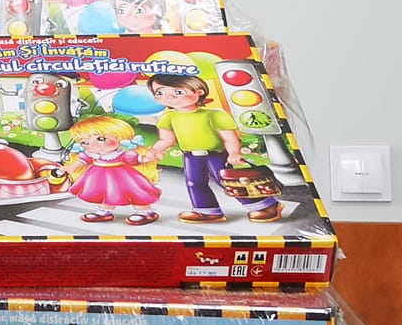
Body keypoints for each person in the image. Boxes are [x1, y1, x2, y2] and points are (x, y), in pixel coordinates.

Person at [141, 70, 280, 222]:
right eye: (160, 92)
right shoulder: (168, 117)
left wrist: (234, 153)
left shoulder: (214, 114)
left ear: (199, 92)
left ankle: (265, 206)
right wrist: (156, 149)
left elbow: (229, 137)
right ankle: (207, 211)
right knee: (194, 183)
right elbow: (166, 139)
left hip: (216, 154)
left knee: (227, 181)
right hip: (191, 156)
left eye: (179, 92)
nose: (169, 97)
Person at [47, 115, 162, 225]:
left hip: (122, 176)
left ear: (120, 137)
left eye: (101, 139)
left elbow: (137, 159)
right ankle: (104, 211)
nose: (93, 145)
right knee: (103, 191)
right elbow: (83, 161)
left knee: (134, 191)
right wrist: (70, 167)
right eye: (85, 142)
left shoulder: (121, 154)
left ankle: (144, 211)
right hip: (97, 175)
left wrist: (149, 157)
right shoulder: (91, 154)